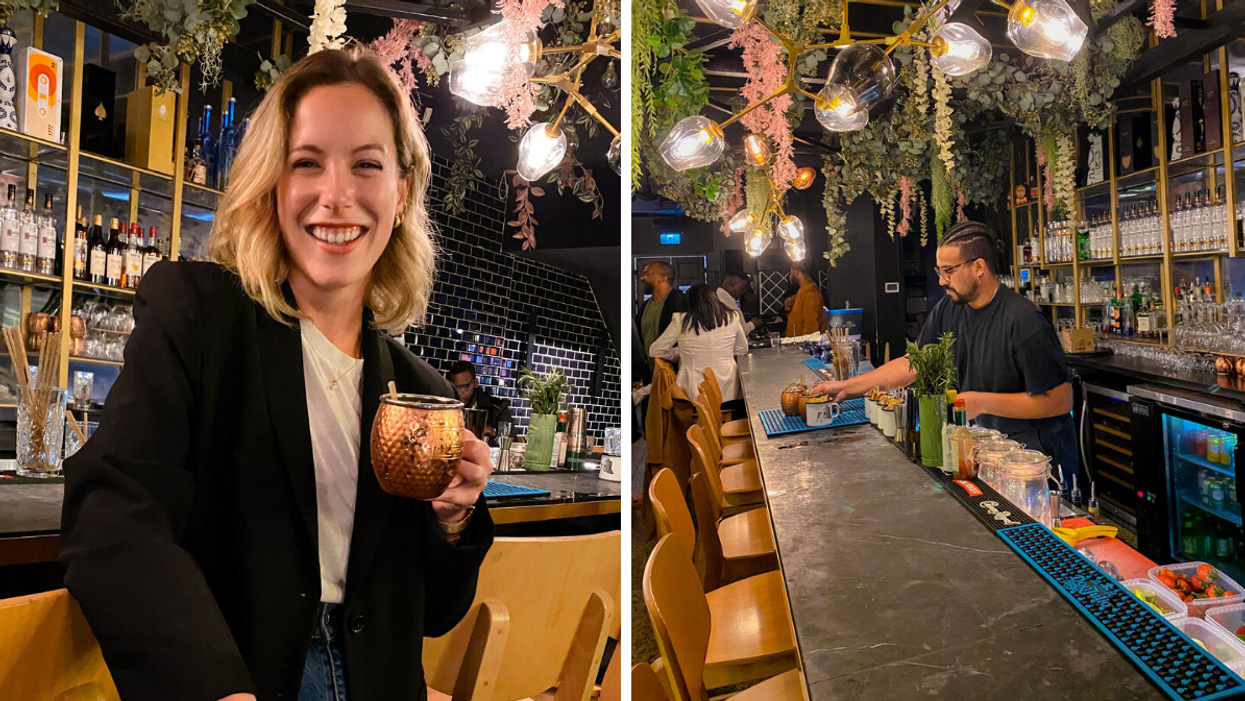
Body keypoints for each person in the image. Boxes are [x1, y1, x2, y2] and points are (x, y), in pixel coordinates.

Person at [59, 48, 494, 701]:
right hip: (240, 670)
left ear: (400, 193)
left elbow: (435, 611)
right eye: (307, 162)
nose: (336, 194)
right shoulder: (199, 315)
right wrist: (216, 687)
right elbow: (113, 509)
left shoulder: (422, 393)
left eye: (367, 164)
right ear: (274, 184)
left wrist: (454, 518)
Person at [812, 221, 1077, 473]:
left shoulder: (1024, 321)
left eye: (949, 271)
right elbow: (913, 363)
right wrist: (848, 387)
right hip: (989, 451)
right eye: (940, 271)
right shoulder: (950, 309)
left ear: (979, 267)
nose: (941, 280)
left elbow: (1060, 401)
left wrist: (982, 401)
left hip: (1038, 463)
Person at [649, 284, 749, 406]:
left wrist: (679, 353)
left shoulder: (681, 319)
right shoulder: (732, 317)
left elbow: (656, 350)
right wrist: (724, 353)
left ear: (689, 302)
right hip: (729, 389)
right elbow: (742, 349)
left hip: (693, 393)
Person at [447, 360, 513, 442]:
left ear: (475, 383)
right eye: (454, 387)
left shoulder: (498, 409)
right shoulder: (446, 408)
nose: (459, 392)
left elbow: (512, 444)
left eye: (464, 386)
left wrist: (493, 435)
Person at [636, 261, 687, 370]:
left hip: (675, 374)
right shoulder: (644, 307)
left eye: (647, 274)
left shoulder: (681, 303)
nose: (642, 278)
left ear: (662, 278)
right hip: (651, 376)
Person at [784, 262, 827, 337]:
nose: (790, 276)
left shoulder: (809, 293)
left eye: (791, 272)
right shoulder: (803, 293)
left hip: (803, 345)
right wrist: (789, 310)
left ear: (796, 272)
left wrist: (803, 346)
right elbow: (798, 323)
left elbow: (811, 328)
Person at [716, 270, 762, 335]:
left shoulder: (722, 297)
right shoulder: (725, 302)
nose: (744, 292)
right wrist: (752, 324)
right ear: (733, 282)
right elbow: (740, 330)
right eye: (742, 288)